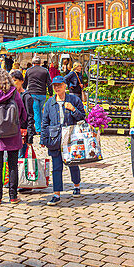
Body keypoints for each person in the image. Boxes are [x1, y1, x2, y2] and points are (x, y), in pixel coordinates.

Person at [39, 75, 86, 205]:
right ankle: (56, 194)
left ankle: (76, 185)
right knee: (56, 166)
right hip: (55, 138)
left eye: (59, 85)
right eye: (55, 86)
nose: (57, 87)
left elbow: (82, 118)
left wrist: (73, 109)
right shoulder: (50, 102)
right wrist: (43, 139)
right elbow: (45, 122)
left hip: (71, 137)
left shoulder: (74, 100)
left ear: (65, 85)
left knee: (73, 163)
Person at [0, 68, 26, 203]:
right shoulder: (15, 94)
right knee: (13, 164)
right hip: (13, 133)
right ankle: (13, 196)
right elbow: (23, 114)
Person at [23, 56, 52, 141]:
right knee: (39, 111)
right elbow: (49, 83)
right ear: (40, 63)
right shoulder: (45, 71)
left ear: (32, 63)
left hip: (33, 93)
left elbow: (25, 83)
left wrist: (24, 91)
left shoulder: (29, 71)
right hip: (42, 93)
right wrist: (50, 93)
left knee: (36, 111)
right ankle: (43, 126)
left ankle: (39, 130)